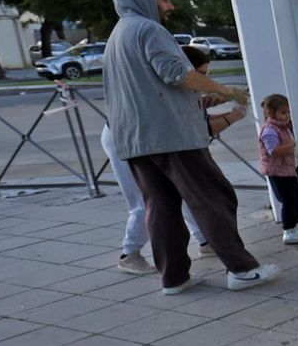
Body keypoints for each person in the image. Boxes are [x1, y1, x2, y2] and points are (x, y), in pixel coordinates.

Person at [101, 0, 279, 294]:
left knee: (161, 207)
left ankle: (174, 278)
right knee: (213, 197)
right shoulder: (148, 29)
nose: (170, 6)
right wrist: (225, 89)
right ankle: (241, 270)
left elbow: (149, 88)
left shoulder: (118, 35)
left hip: (135, 140)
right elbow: (176, 73)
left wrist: (203, 97)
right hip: (171, 138)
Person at [103, 45, 245, 274]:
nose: (205, 79)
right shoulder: (171, 87)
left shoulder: (174, 86)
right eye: (201, 73)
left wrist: (218, 102)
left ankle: (204, 241)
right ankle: (129, 254)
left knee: (180, 191)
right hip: (125, 140)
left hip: (141, 139)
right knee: (145, 201)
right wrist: (233, 117)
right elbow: (202, 127)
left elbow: (197, 117)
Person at [257, 93, 298, 244]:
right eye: (283, 112)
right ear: (270, 113)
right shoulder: (270, 130)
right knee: (289, 201)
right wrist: (293, 145)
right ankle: (289, 230)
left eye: (288, 112)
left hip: (290, 170)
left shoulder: (283, 127)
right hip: (278, 173)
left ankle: (296, 224)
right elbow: (273, 151)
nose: (287, 116)